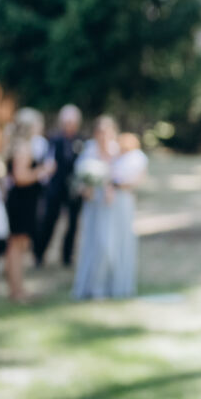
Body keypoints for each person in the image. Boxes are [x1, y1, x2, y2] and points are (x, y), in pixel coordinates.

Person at [3, 108, 55, 301]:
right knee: (17, 246)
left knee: (19, 245)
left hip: (24, 200)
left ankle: (18, 287)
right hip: (22, 201)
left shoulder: (19, 145)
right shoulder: (24, 148)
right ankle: (16, 290)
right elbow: (20, 177)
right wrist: (43, 170)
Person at [72, 115, 119, 300]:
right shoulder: (89, 149)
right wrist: (87, 188)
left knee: (109, 245)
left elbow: (122, 175)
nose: (103, 135)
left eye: (106, 132)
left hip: (111, 204)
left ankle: (109, 285)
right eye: (100, 132)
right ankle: (91, 286)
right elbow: (80, 178)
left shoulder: (116, 150)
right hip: (93, 203)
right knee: (93, 243)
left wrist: (111, 187)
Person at [34, 104, 85, 268]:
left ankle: (67, 256)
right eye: (66, 122)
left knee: (72, 223)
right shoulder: (54, 140)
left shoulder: (81, 140)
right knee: (49, 221)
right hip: (55, 187)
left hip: (74, 188)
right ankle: (39, 253)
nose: (69, 125)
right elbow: (46, 162)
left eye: (72, 122)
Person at [106, 132, 147, 298]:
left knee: (123, 237)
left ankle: (122, 280)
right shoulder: (115, 157)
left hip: (124, 201)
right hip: (110, 202)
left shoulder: (137, 158)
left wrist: (117, 184)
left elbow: (138, 180)